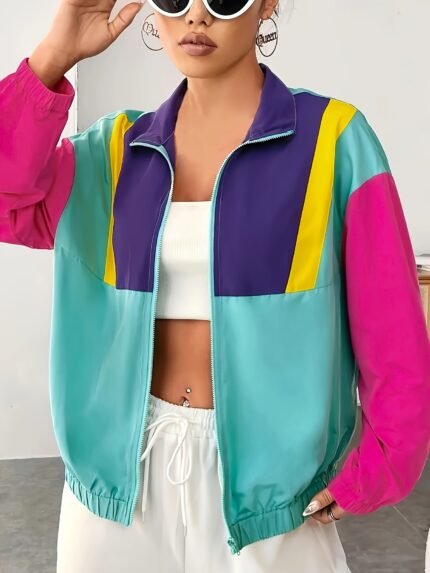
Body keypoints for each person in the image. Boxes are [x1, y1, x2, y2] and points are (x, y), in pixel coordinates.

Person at [1, 0, 430, 571]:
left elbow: (392, 322)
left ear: (268, 5)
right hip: (117, 486)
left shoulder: (333, 141)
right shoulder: (112, 150)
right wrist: (55, 56)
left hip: (271, 489)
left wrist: (383, 464)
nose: (196, 16)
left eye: (226, 0)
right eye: (175, 0)